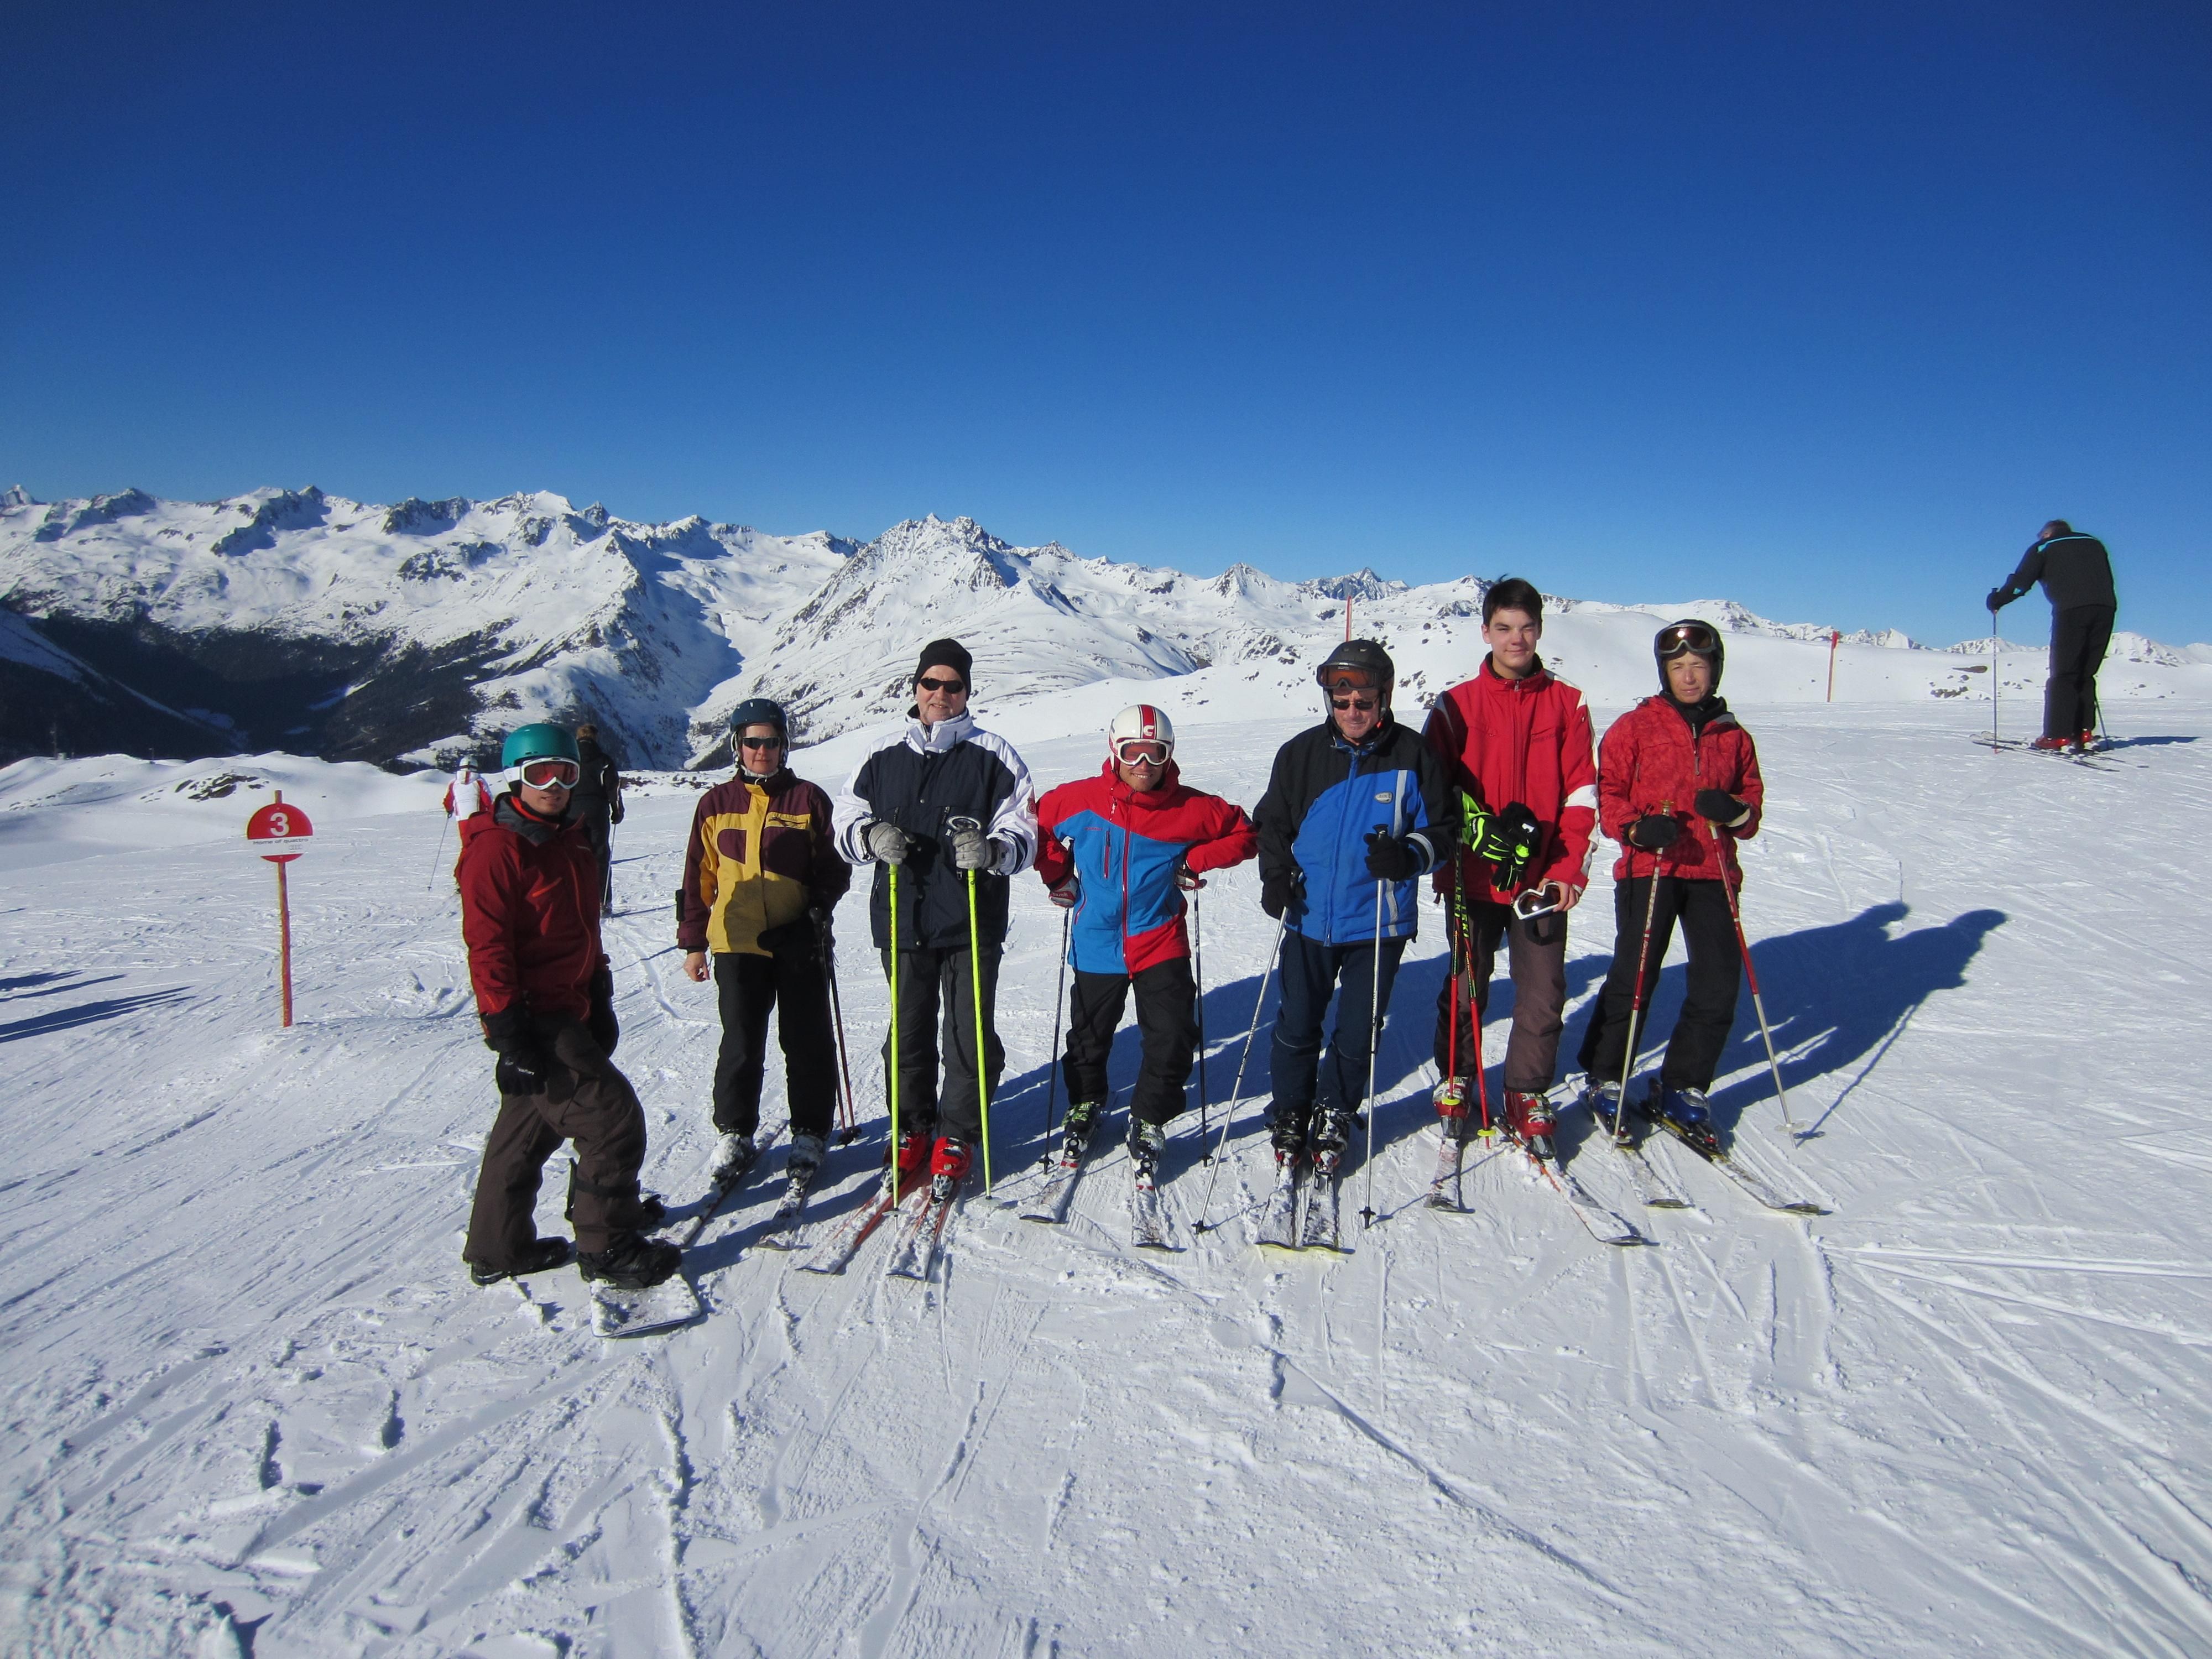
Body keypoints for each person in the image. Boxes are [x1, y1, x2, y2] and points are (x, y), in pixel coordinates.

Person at [457, 722, 679, 1291]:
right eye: (540, 775)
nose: (554, 786)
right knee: (611, 1120)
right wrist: (508, 1031)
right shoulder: (497, 849)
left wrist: (598, 986)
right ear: (515, 779)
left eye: (566, 774)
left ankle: (499, 1245)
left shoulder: (571, 839)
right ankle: (607, 1244)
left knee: (527, 1128)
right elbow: (488, 946)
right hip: (535, 1015)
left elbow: (582, 927)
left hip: (571, 1002)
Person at [833, 640, 1037, 1191]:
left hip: (972, 918)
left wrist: (994, 850)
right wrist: (869, 836)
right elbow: (845, 818)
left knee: (968, 1032)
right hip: (902, 917)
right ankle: (911, 1125)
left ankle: (958, 1132)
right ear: (915, 687)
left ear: (967, 692)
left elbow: (1023, 827)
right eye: (931, 683)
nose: (940, 695)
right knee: (908, 1031)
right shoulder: (881, 755)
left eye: (953, 685)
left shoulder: (993, 754)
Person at [1253, 639, 1454, 1182]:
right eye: (1341, 702)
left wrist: (1410, 854)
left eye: (1363, 702)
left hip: (1378, 922)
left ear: (1384, 697)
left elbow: (1445, 830)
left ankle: (1335, 1110)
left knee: (1357, 1030)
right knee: (1297, 1023)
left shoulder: (1413, 756)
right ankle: (1290, 1111)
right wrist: (1275, 876)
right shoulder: (1300, 755)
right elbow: (1272, 825)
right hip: (1309, 916)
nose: (1352, 712)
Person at [1032, 705, 1258, 1185]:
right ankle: (1086, 1103)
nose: (1143, 764)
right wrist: (1058, 875)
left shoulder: (1191, 808)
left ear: (1169, 754)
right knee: (1089, 1035)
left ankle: (1150, 1116)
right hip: (1097, 938)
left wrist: (1196, 860)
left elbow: (1244, 833)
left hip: (1159, 937)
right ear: (1115, 750)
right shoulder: (1082, 799)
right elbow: (1038, 826)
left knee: (1173, 1034)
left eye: (1155, 753)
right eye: (1133, 751)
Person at [1421, 576, 1597, 1156]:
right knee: (1466, 983)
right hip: (1472, 875)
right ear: (1485, 632)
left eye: (1525, 628)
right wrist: (1465, 834)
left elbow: (1581, 794)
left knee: (1543, 990)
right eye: (1503, 628)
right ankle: (1457, 1075)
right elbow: (1433, 789)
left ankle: (1525, 1090)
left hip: (1540, 879)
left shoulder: (1567, 704)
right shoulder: (1456, 706)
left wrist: (1566, 870)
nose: (1515, 639)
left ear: (1539, 630)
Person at [1575, 620, 1765, 1155]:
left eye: (1698, 666)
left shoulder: (1734, 736)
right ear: (1664, 673)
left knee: (1717, 982)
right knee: (1635, 974)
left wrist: (1734, 811)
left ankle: (1682, 1084)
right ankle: (1607, 1074)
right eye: (1678, 667)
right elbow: (1608, 792)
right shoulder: (1635, 727)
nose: (1689, 677)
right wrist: (1636, 829)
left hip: (1712, 871)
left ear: (1714, 670)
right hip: (1651, 867)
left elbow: (1751, 808)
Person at [678, 698, 852, 1189]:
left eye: (771, 741)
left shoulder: (807, 799)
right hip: (737, 941)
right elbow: (698, 877)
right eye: (752, 742)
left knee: (806, 1038)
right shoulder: (715, 804)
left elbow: (834, 867)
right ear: (737, 745)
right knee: (741, 1040)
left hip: (799, 939)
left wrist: (817, 911)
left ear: (783, 745)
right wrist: (694, 943)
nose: (762, 750)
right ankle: (735, 1131)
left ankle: (811, 1130)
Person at [1986, 520, 2118, 753]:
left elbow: (2021, 583)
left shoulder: (2044, 547)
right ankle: (2083, 730)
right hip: (2105, 608)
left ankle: (2057, 735)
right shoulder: (2094, 543)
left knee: (2064, 672)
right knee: (2086, 671)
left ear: (2048, 533)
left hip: (2071, 610)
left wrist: (1997, 600)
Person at [571, 721, 625, 914]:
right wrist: (617, 811)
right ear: (596, 737)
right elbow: (613, 788)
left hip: (572, 812)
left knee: (574, 855)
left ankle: (576, 900)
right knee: (600, 855)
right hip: (597, 811)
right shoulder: (604, 760)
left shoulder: (571, 758)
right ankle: (603, 901)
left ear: (578, 738)